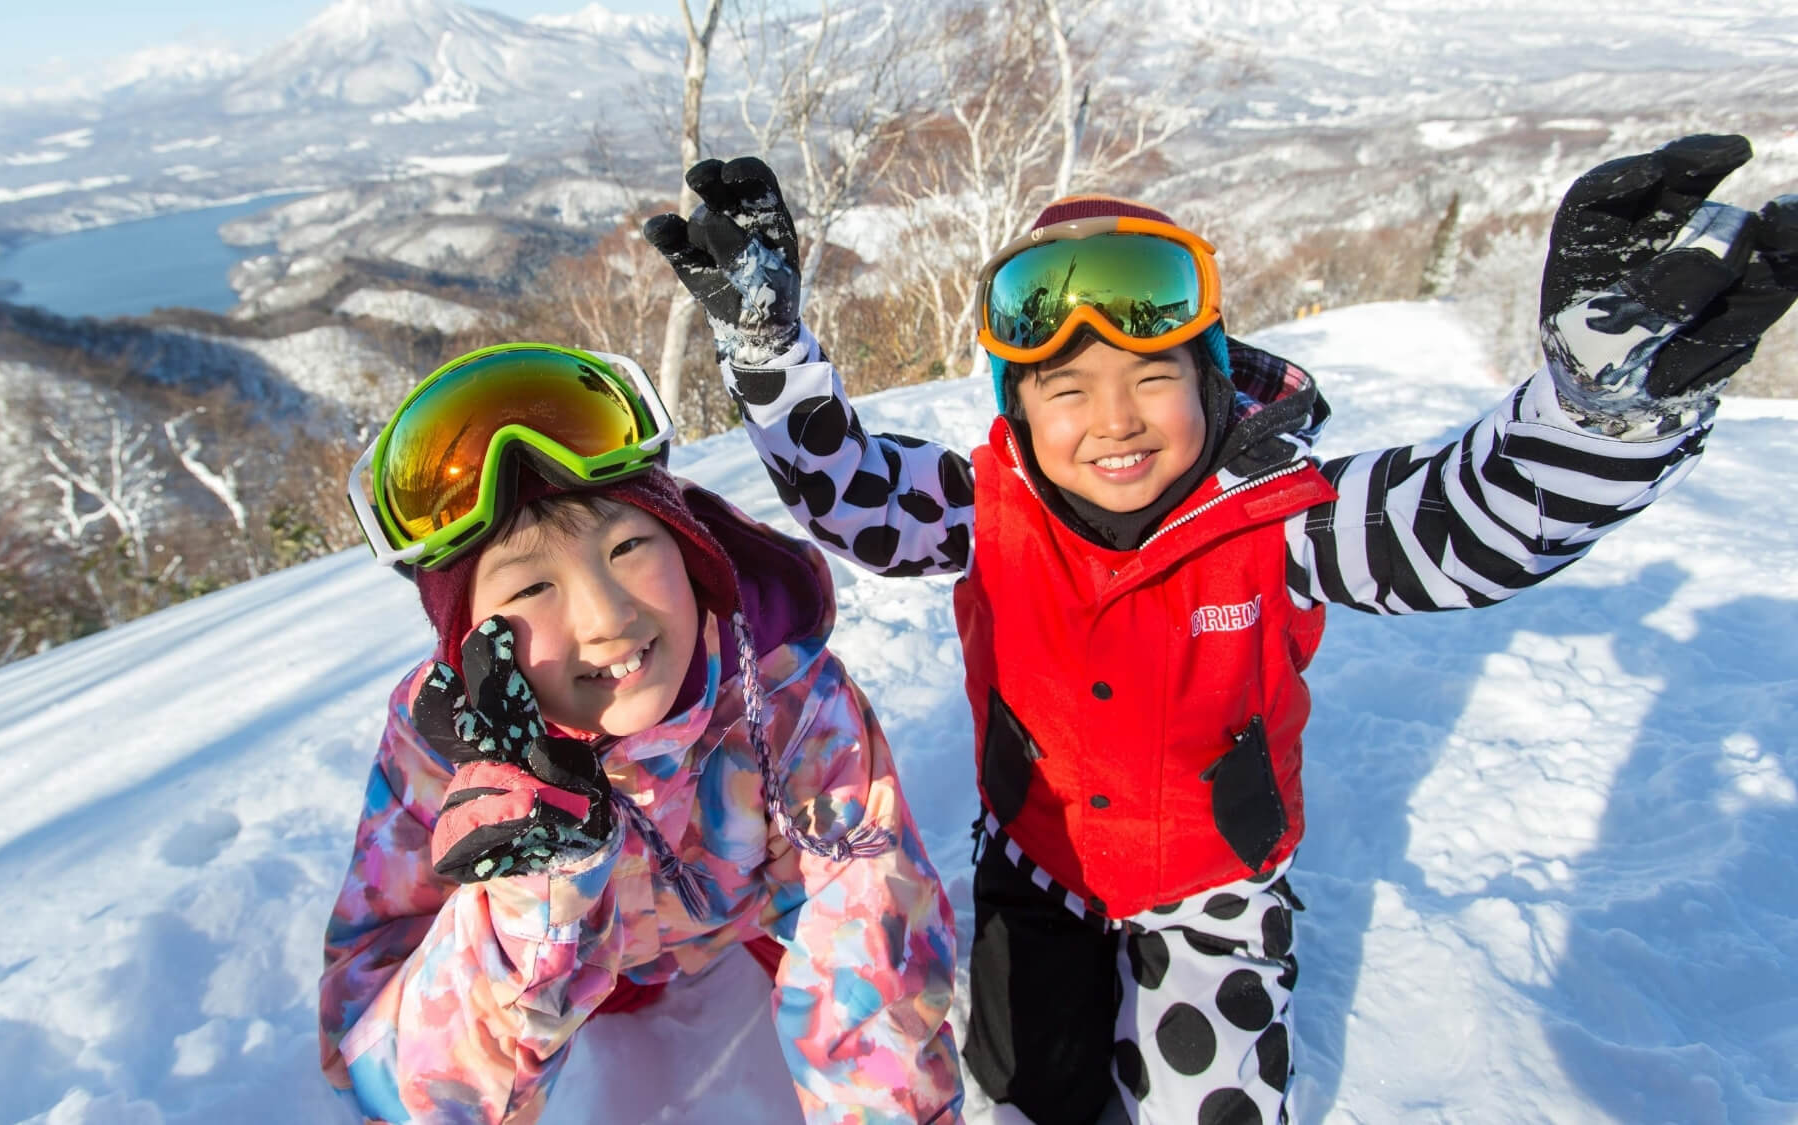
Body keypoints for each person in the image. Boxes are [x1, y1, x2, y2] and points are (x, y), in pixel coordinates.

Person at [642, 138, 1797, 1124]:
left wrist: (1596, 417)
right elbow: (843, 488)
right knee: (1022, 1087)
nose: (1112, 421)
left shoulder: (1280, 520)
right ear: (1015, 409)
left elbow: (1465, 523)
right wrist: (768, 352)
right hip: (1034, 864)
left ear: (1211, 379)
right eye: (1063, 389)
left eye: (1151, 375)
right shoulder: (985, 510)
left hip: (1210, 886)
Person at [317, 342, 964, 1123]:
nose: (608, 616)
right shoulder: (441, 757)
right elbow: (382, 1071)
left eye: (627, 546)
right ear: (474, 640)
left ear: (687, 548)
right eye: (530, 585)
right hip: (577, 970)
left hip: (736, 923)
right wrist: (537, 892)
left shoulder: (785, 698)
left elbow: (872, 959)